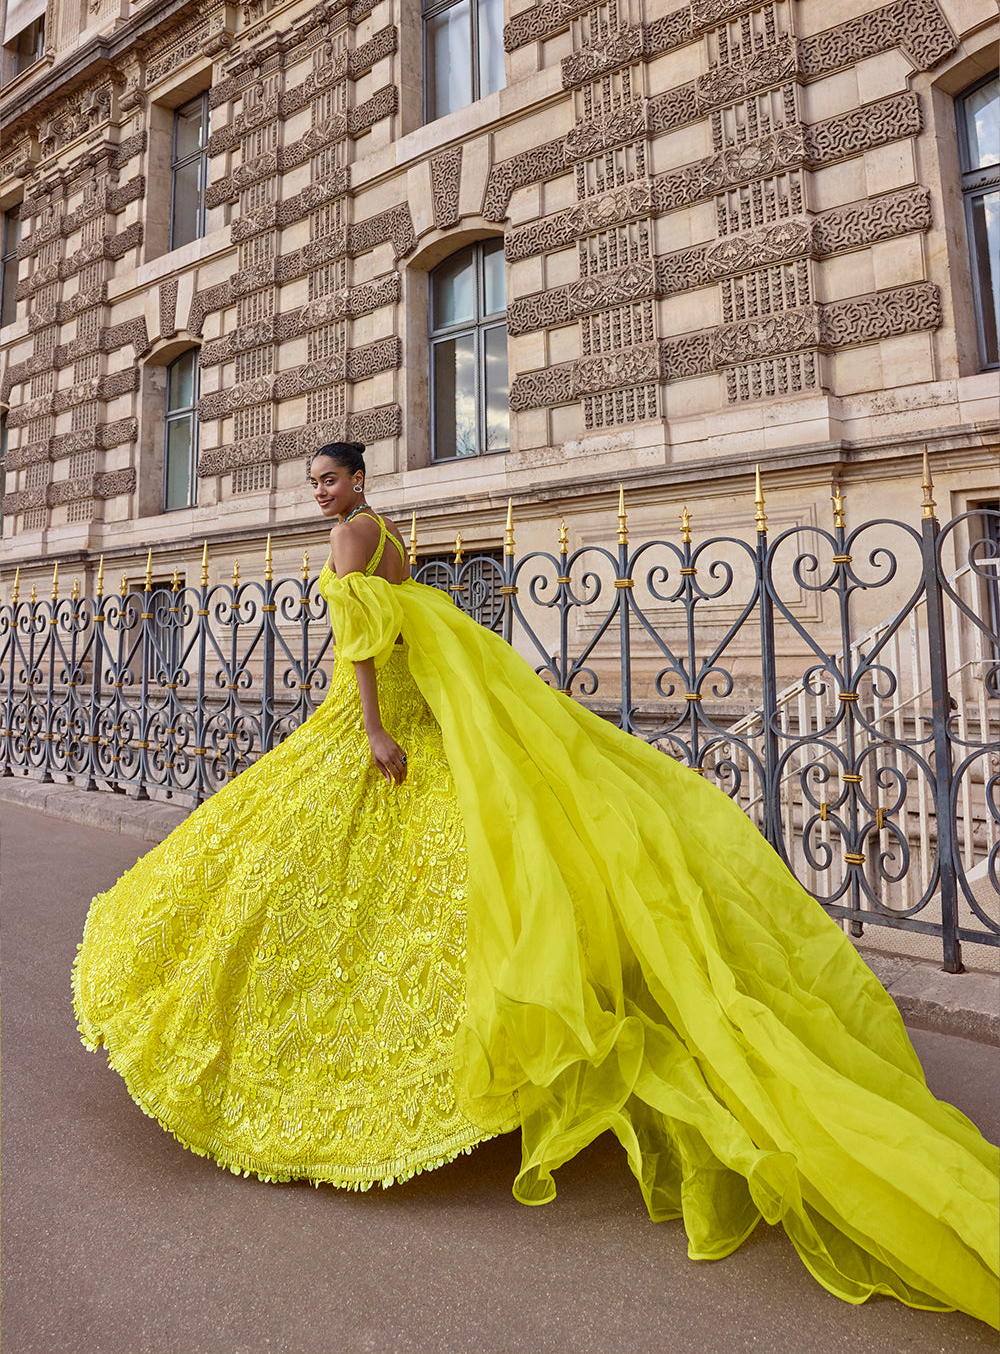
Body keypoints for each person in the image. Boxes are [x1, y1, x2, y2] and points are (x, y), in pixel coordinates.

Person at [74, 441, 999, 1328]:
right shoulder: (392, 531)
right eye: (312, 483)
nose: (319, 493)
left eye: (330, 479)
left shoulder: (353, 535)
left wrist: (371, 734)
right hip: (412, 725)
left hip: (375, 733)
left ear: (359, 479)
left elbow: (361, 645)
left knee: (305, 892)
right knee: (405, 901)